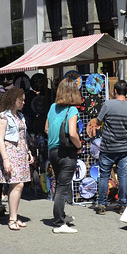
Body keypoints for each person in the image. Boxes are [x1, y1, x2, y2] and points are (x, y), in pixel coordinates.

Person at [90, 81, 127, 214]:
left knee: (104, 175)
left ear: (115, 91)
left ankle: (102, 204)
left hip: (107, 147)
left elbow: (99, 121)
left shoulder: (108, 104)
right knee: (123, 176)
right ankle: (122, 204)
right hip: (124, 148)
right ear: (126, 92)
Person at [45, 78, 82, 233]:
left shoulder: (53, 107)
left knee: (59, 185)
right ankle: (59, 223)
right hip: (67, 152)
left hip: (52, 151)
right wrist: (79, 146)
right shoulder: (72, 110)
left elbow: (46, 128)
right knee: (63, 187)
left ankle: (61, 215)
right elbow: (73, 133)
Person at [0, 87, 32, 232]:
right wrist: (5, 159)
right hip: (10, 154)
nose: (23, 102)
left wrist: (28, 151)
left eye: (23, 99)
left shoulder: (19, 116)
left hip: (20, 153)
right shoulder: (3, 117)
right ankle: (12, 219)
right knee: (17, 185)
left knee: (16, 185)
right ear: (13, 99)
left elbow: (23, 136)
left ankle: (14, 217)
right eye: (20, 99)